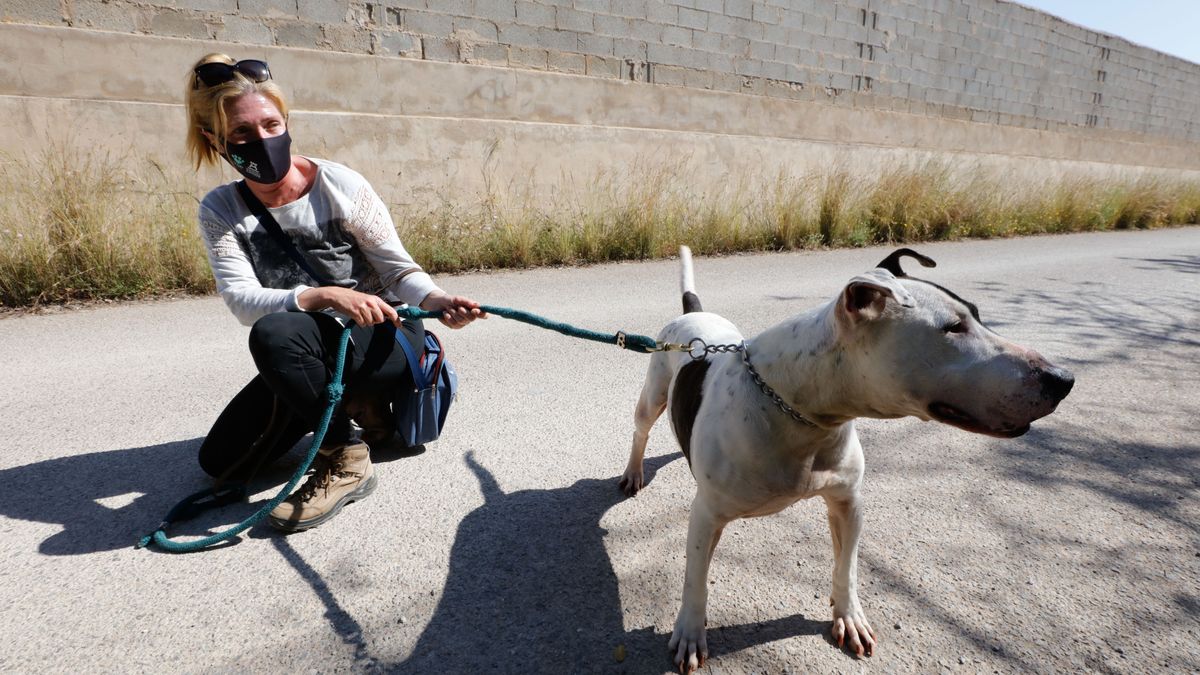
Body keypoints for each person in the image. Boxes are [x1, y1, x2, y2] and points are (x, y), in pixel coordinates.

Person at [184, 54, 484, 532]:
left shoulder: (339, 184)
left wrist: (438, 300)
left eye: (270, 124)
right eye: (242, 134)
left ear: (287, 123)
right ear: (214, 140)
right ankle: (349, 406)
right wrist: (324, 295)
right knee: (221, 461)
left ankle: (346, 457)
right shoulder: (220, 209)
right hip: (310, 347)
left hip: (383, 336)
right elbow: (241, 299)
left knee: (274, 335)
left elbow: (398, 270)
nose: (261, 141)